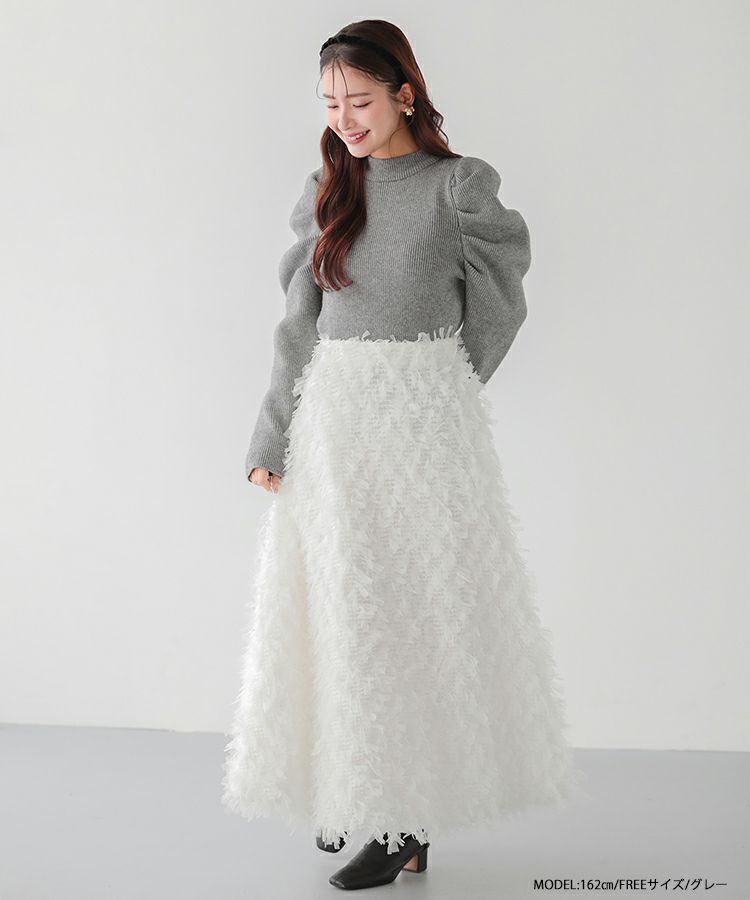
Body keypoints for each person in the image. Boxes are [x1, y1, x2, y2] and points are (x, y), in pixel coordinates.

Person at [222, 19, 586, 892]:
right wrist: (272, 434)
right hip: (334, 429)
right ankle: (349, 786)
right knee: (338, 611)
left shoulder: (458, 187)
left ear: (404, 94)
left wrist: (443, 387)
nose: (344, 119)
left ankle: (404, 821)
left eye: (359, 100)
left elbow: (500, 302)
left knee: (414, 619)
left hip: (422, 432)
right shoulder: (327, 190)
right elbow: (298, 325)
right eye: (330, 104)